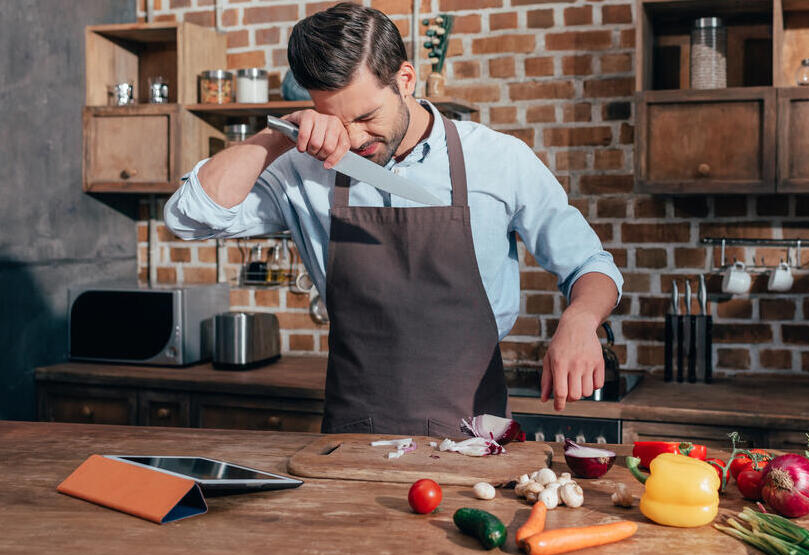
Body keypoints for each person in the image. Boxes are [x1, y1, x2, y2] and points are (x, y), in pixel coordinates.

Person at [165, 3, 623, 436]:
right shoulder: (302, 170)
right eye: (334, 118)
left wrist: (580, 321)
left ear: (405, 79)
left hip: (475, 430)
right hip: (353, 432)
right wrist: (275, 136)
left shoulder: (498, 160)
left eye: (367, 116)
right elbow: (190, 217)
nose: (353, 137)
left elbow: (589, 265)